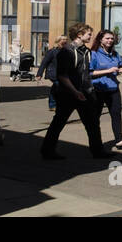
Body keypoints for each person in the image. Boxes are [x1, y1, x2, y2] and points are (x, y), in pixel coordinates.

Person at [40, 23, 111, 160]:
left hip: (85, 93)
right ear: (79, 35)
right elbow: (62, 75)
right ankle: (47, 151)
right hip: (68, 94)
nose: (91, 36)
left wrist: (88, 90)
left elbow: (86, 72)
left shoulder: (86, 51)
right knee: (59, 122)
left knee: (93, 123)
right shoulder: (66, 52)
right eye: (89, 34)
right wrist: (74, 91)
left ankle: (98, 151)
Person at [89, 29, 122, 149]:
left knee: (116, 114)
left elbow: (119, 65)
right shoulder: (94, 54)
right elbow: (89, 73)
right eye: (107, 38)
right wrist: (109, 70)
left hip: (113, 88)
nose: (110, 40)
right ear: (100, 40)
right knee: (95, 117)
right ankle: (95, 143)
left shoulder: (115, 54)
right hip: (98, 89)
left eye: (111, 38)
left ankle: (119, 140)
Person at [38, 36, 68, 111]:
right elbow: (44, 62)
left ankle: (53, 104)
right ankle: (53, 104)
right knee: (58, 85)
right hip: (53, 73)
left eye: (66, 39)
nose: (65, 41)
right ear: (58, 41)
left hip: (62, 73)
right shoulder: (52, 51)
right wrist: (39, 74)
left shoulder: (66, 51)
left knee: (56, 87)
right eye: (63, 39)